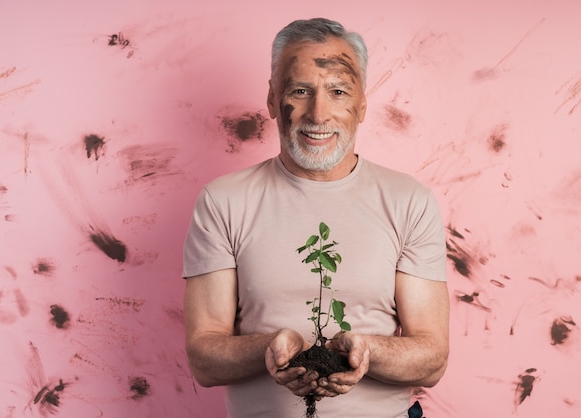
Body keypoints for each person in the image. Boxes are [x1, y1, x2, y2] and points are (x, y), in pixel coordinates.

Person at [182, 17, 449, 418]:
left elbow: (432, 360)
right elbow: (204, 359)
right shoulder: (223, 202)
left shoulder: (409, 201)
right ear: (273, 99)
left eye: (338, 91)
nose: (318, 114)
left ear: (361, 104)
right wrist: (269, 347)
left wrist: (366, 350)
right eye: (301, 91)